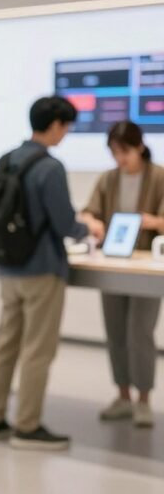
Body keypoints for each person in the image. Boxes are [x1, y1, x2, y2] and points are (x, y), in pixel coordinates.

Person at [0, 96, 90, 450]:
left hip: (9, 266)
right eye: (67, 126)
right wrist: (87, 229)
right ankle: (28, 427)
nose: (66, 134)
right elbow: (63, 222)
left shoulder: (7, 158)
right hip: (43, 269)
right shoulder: (50, 167)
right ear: (57, 124)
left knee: (6, 345)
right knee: (37, 350)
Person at [80, 121, 163, 428]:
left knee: (140, 332)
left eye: (124, 151)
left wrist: (152, 222)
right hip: (112, 262)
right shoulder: (108, 179)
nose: (120, 159)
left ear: (139, 147)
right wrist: (91, 221)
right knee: (115, 331)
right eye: (114, 152)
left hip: (147, 266)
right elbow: (89, 211)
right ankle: (123, 395)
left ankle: (143, 399)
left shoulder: (158, 176)